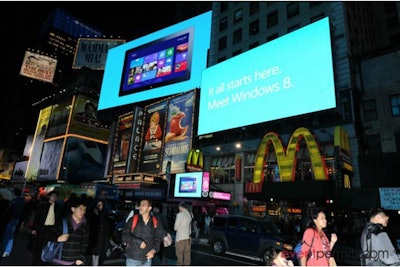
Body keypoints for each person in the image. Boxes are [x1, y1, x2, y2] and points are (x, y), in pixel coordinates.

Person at [122, 199, 164, 266]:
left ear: (149, 208)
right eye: (140, 205)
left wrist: (154, 250)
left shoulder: (155, 221)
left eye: (143, 205)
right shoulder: (133, 219)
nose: (140, 207)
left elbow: (158, 238)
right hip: (133, 259)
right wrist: (139, 241)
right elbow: (125, 236)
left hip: (147, 260)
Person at [50, 197, 89, 266]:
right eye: (80, 209)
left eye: (84, 210)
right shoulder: (62, 222)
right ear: (73, 209)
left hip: (73, 262)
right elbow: (49, 235)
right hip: (58, 260)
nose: (83, 212)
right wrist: (57, 238)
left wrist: (81, 257)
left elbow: (84, 243)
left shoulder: (85, 226)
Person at [31, 190, 62, 265]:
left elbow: (59, 219)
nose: (54, 197)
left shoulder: (58, 207)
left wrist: (57, 229)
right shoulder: (43, 206)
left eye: (55, 196)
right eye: (53, 196)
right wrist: (34, 228)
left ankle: (43, 261)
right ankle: (35, 262)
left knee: (48, 246)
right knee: (38, 246)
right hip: (41, 228)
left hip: (51, 229)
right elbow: (37, 217)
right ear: (49, 197)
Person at [1, 187, 25, 258]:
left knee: (7, 235)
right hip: (16, 219)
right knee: (10, 235)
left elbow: (11, 211)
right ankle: (7, 250)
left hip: (11, 219)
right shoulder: (21, 201)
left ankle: (5, 249)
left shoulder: (14, 201)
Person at [87, 199, 109, 266]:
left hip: (101, 238)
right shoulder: (90, 215)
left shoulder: (104, 214)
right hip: (92, 238)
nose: (99, 206)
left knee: (98, 255)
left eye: (101, 205)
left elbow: (106, 228)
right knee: (92, 256)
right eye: (98, 205)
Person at [174, 201, 192, 266]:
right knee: (187, 255)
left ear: (180, 207)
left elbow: (175, 227)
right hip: (187, 238)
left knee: (179, 256)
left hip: (180, 239)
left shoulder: (179, 215)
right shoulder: (189, 214)